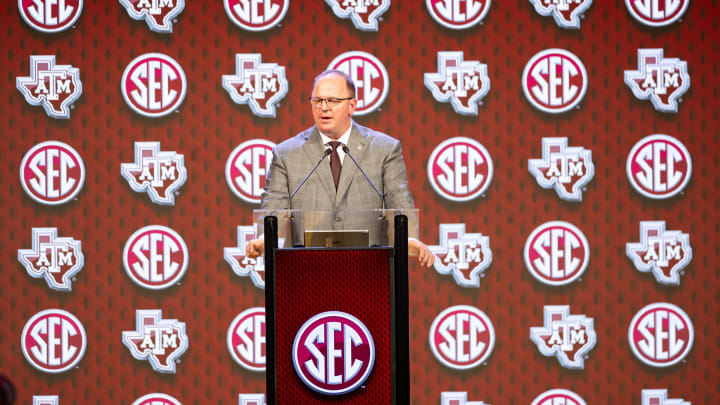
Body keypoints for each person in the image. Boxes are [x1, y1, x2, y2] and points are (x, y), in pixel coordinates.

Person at [245, 70, 434, 267]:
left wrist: (409, 238)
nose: (324, 108)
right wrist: (264, 239)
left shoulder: (384, 149)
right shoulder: (286, 153)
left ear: (352, 105)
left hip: (369, 269)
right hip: (306, 270)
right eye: (317, 101)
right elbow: (273, 207)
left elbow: (399, 201)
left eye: (333, 101)